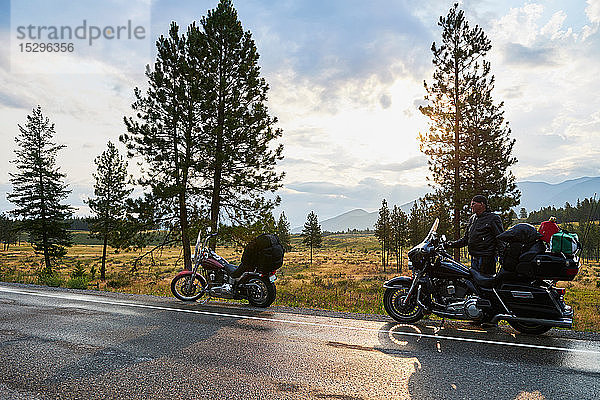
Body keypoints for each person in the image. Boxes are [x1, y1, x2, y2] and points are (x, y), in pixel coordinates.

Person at [447, 195, 504, 276]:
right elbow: (466, 239)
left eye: (473, 204)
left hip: (486, 258)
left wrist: (502, 257)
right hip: (474, 258)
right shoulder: (472, 219)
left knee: (486, 284)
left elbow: (500, 238)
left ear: (482, 204)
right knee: (473, 283)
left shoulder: (493, 218)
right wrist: (449, 244)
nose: (471, 206)